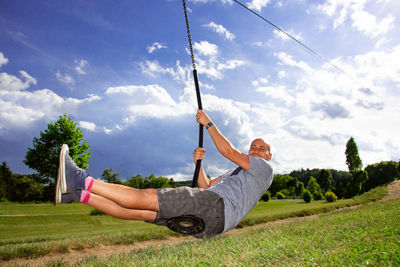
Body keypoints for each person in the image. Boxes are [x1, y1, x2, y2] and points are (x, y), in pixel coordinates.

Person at [55, 110, 274, 238]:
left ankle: (80, 179)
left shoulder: (264, 169)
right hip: (212, 223)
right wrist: (198, 164)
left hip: (216, 208)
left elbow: (228, 151)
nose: (255, 150)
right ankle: (77, 194)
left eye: (261, 148)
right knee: (141, 212)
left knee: (147, 196)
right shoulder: (236, 174)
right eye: (253, 147)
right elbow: (206, 186)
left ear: (269, 156)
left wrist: (207, 122)